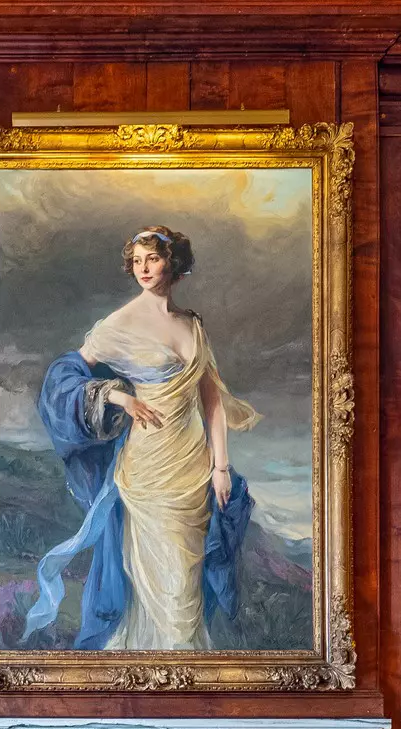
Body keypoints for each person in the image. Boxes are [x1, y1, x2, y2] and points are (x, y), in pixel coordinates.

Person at [22, 226, 260, 649]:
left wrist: (221, 468)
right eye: (136, 260)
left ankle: (182, 671)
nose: (143, 268)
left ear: (173, 262)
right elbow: (63, 377)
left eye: (152, 258)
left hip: (193, 466)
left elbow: (211, 402)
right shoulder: (120, 323)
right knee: (162, 582)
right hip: (148, 468)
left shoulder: (192, 325)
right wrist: (116, 395)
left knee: (187, 581)